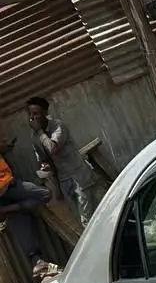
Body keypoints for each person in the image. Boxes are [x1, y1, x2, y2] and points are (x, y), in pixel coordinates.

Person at [26, 96, 101, 229]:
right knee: (81, 219)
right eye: (30, 114)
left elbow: (52, 148)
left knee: (87, 220)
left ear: (45, 113)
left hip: (78, 176)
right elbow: (43, 158)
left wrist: (39, 131)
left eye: (36, 113)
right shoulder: (34, 137)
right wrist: (45, 165)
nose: (33, 118)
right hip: (63, 180)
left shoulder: (58, 126)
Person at [0, 135, 56, 281]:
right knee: (43, 195)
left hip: (10, 186)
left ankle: (39, 264)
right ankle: (38, 263)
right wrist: (21, 206)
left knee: (21, 216)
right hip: (6, 191)